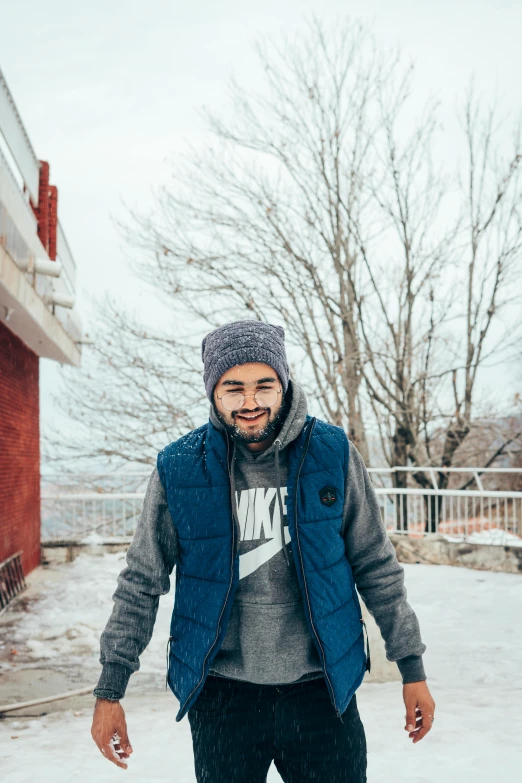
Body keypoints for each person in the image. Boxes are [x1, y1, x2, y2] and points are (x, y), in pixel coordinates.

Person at [91, 320, 435, 782]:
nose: (250, 402)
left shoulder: (332, 453)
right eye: (233, 388)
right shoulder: (179, 467)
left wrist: (411, 667)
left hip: (321, 692)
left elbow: (375, 563)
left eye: (263, 385)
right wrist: (110, 688)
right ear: (213, 392)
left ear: (284, 383)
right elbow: (141, 580)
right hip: (223, 697)